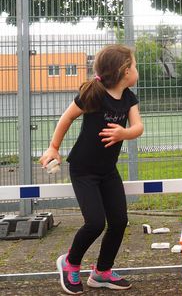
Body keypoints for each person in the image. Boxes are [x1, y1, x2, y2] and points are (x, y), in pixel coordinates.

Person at [40, 44, 143, 294]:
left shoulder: (129, 97)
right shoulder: (94, 94)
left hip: (108, 171)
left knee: (119, 221)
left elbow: (138, 127)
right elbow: (66, 118)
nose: (137, 69)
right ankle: (70, 263)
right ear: (125, 71)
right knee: (95, 223)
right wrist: (53, 147)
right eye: (135, 65)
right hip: (84, 170)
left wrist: (123, 133)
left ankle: (102, 272)